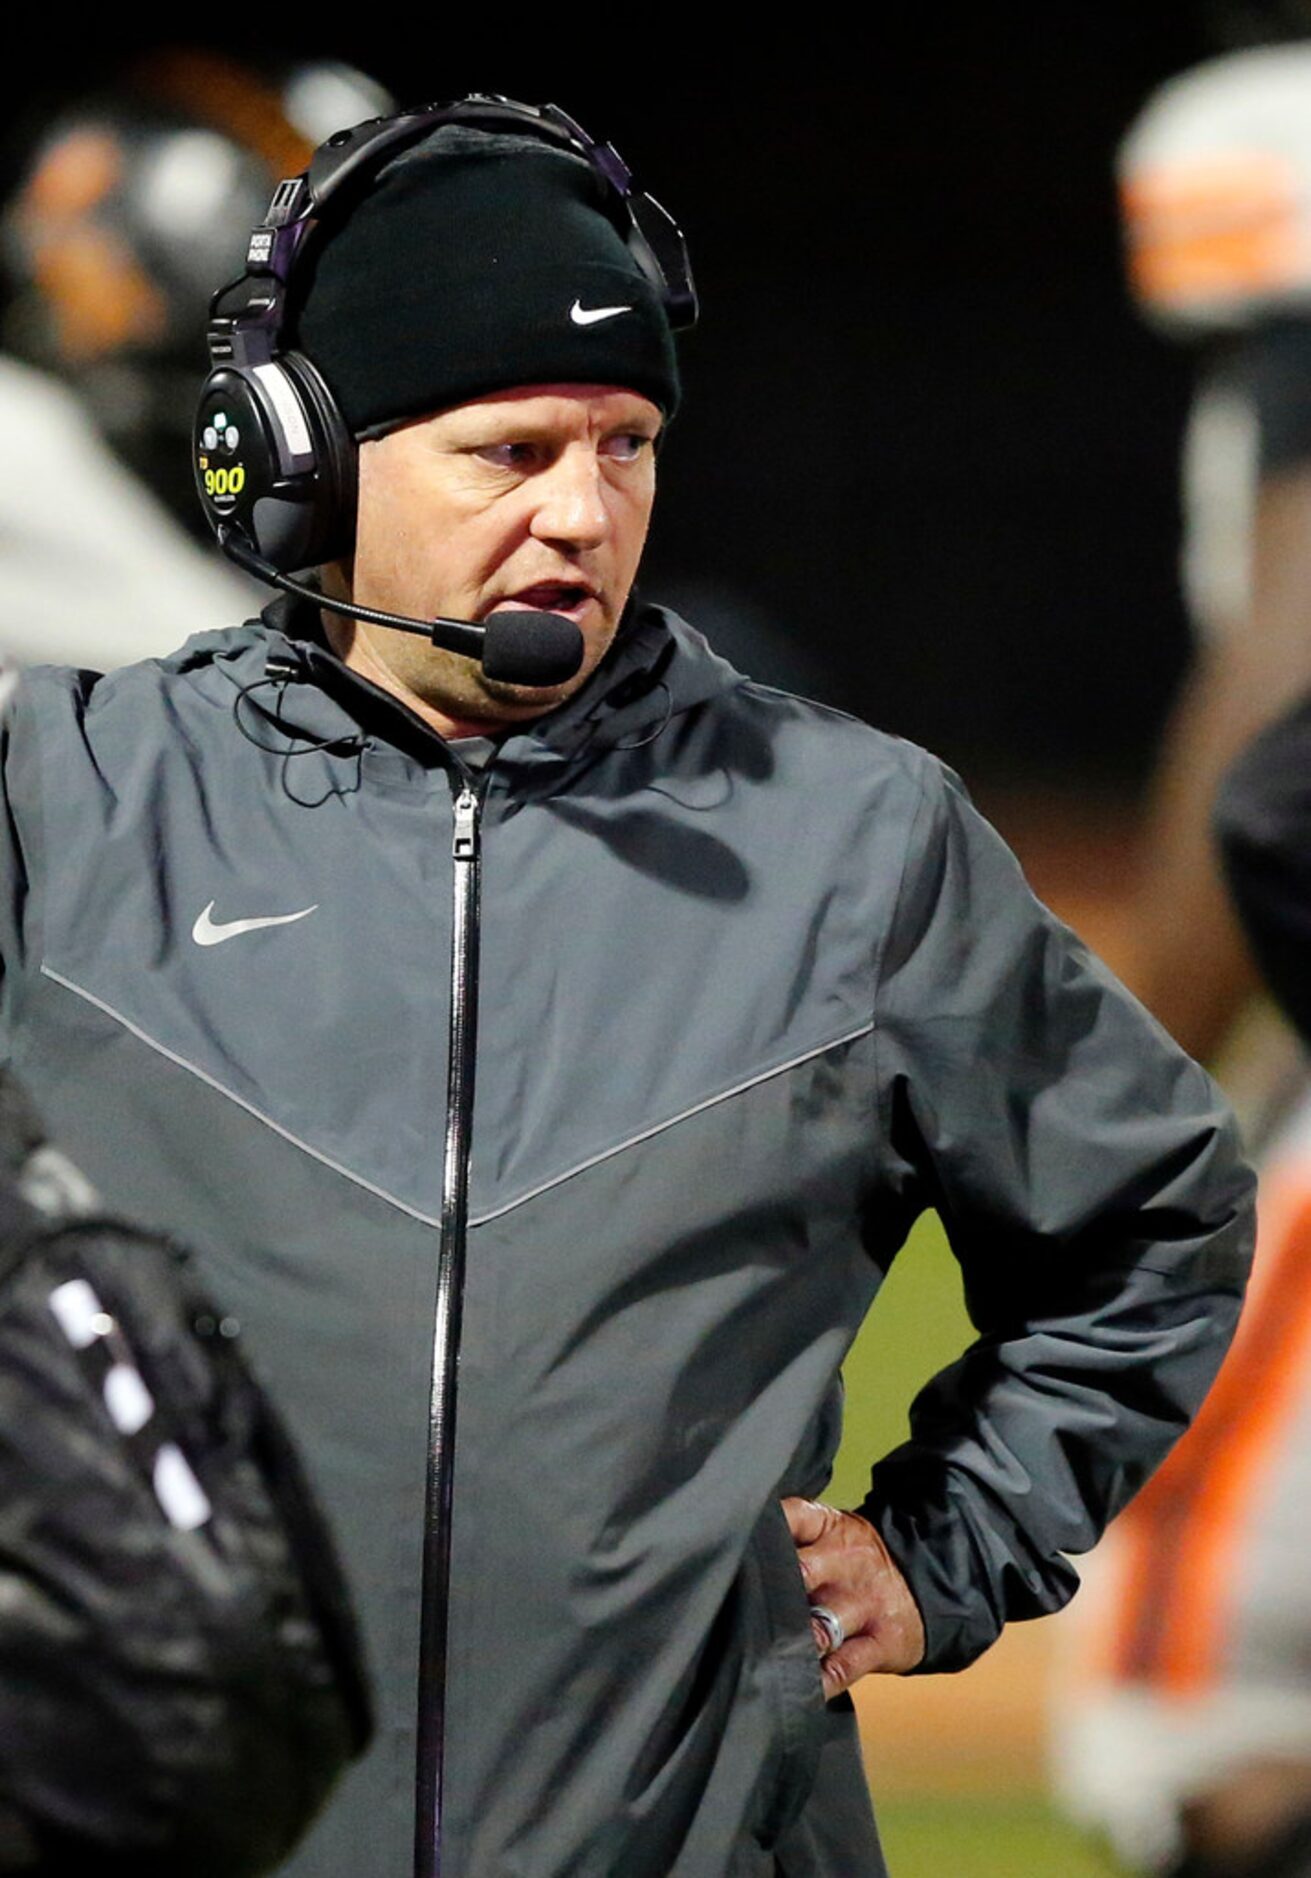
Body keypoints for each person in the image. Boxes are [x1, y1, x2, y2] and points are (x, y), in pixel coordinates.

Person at [0, 96, 1256, 1878]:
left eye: (627, 445)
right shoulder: (64, 802)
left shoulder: (851, 838)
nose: (582, 515)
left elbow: (1157, 1222)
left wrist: (943, 1544)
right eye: (512, 452)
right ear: (308, 461)